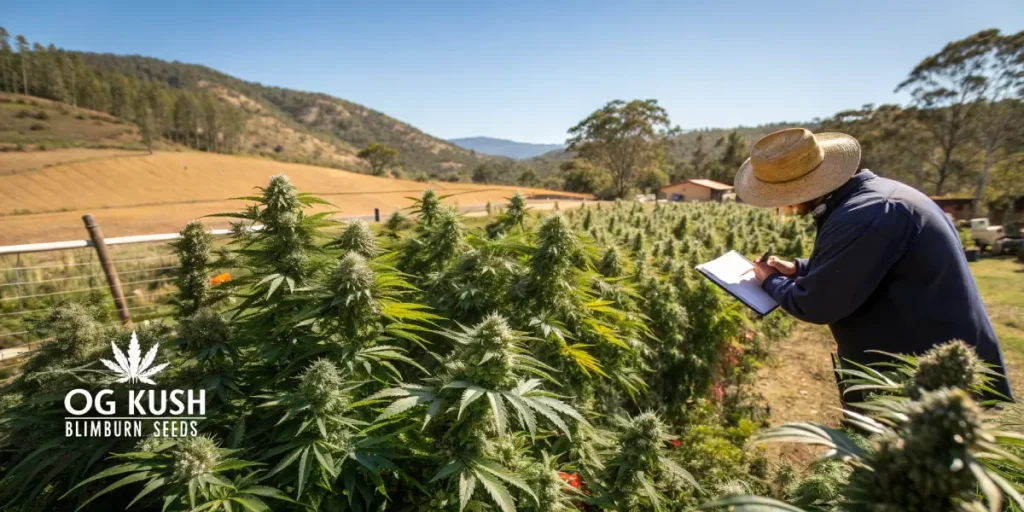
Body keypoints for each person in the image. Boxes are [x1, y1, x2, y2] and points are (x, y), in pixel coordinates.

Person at [733, 128, 1013, 401]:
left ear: (798, 190)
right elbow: (866, 263)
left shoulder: (866, 215)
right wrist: (798, 268)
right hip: (914, 365)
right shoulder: (872, 200)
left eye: (780, 197)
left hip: (926, 379)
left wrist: (770, 280)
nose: (784, 206)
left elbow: (816, 303)